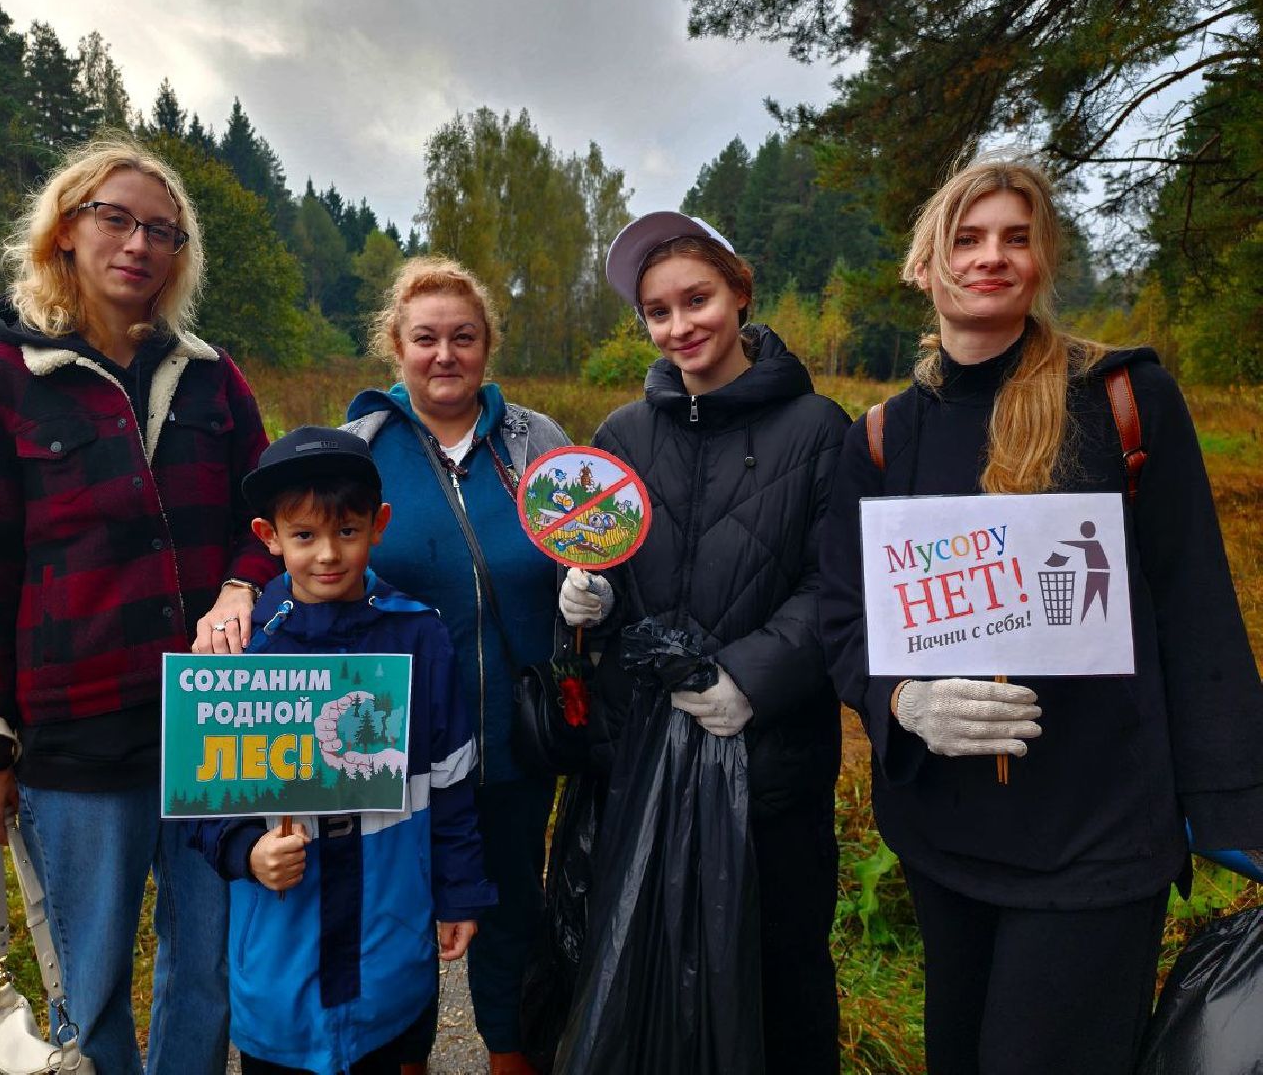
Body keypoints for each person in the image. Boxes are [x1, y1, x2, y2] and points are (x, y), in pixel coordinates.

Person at [818, 156, 1263, 1074]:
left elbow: (1195, 605)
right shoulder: (883, 436)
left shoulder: (1124, 401)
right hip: (946, 837)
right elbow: (842, 616)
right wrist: (902, 700)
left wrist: (1237, 805)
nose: (992, 257)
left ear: (1042, 260)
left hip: (1100, 832)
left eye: (1016, 239)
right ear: (924, 266)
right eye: (967, 239)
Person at [0, 137, 275, 1073]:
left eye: (162, 231)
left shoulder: (212, 375)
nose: (138, 244)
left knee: (207, 967)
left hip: (213, 725)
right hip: (79, 726)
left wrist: (243, 582)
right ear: (65, 230)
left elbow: (270, 516)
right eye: (115, 219)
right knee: (90, 986)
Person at [561, 212, 850, 1071]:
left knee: (776, 983)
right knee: (638, 982)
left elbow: (837, 586)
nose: (680, 325)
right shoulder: (621, 437)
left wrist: (750, 680)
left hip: (768, 771)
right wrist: (584, 597)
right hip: (641, 763)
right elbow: (600, 566)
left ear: (740, 294)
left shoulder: (818, 430)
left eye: (698, 300)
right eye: (658, 311)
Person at [189, 425, 496, 1074]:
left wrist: (459, 891)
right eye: (304, 535)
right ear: (269, 536)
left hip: (388, 938)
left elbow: (451, 781)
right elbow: (202, 802)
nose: (328, 554)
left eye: (347, 531)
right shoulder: (242, 652)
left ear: (378, 525)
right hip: (282, 955)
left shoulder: (418, 637)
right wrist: (248, 851)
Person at [342, 257, 569, 1074]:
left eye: (463, 337)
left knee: (512, 906)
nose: (445, 354)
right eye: (426, 338)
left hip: (514, 736)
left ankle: (510, 1054)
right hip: (391, 741)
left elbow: (586, 549)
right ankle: (406, 1058)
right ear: (396, 347)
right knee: (399, 914)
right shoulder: (358, 451)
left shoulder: (537, 444)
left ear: (487, 347)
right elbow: (314, 568)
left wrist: (592, 592)